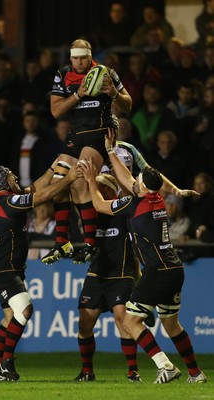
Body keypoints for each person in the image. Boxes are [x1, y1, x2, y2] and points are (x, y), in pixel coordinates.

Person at [80, 152, 206, 384]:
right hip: (174, 269)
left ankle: (164, 365)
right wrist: (110, 152)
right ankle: (196, 373)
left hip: (156, 271)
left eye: (137, 180)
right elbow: (129, 179)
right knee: (171, 324)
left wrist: (90, 180)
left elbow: (99, 204)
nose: (133, 180)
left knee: (129, 320)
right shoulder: (156, 198)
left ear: (142, 187)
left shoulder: (133, 204)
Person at [0, 162, 80, 382]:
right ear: (1, 181)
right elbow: (39, 197)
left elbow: (32, 190)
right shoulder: (7, 202)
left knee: (10, 318)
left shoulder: (0, 198)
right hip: (4, 270)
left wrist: (51, 170)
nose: (15, 176)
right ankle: (6, 365)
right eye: (10, 175)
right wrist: (69, 178)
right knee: (25, 310)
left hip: (3, 268)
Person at [43, 38, 132, 264]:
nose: (80, 62)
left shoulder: (105, 73)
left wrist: (114, 94)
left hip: (101, 132)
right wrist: (78, 95)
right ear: (70, 58)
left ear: (91, 56)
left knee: (81, 179)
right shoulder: (63, 74)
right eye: (76, 58)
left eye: (84, 57)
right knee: (58, 181)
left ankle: (90, 243)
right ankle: (62, 242)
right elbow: (55, 111)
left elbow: (128, 105)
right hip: (77, 133)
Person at [75, 173, 146, 383]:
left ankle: (133, 371)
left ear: (108, 190)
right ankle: (87, 371)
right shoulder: (91, 213)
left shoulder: (122, 210)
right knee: (84, 323)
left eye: (98, 187)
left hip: (122, 274)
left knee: (122, 319)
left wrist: (138, 275)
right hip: (96, 273)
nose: (93, 191)